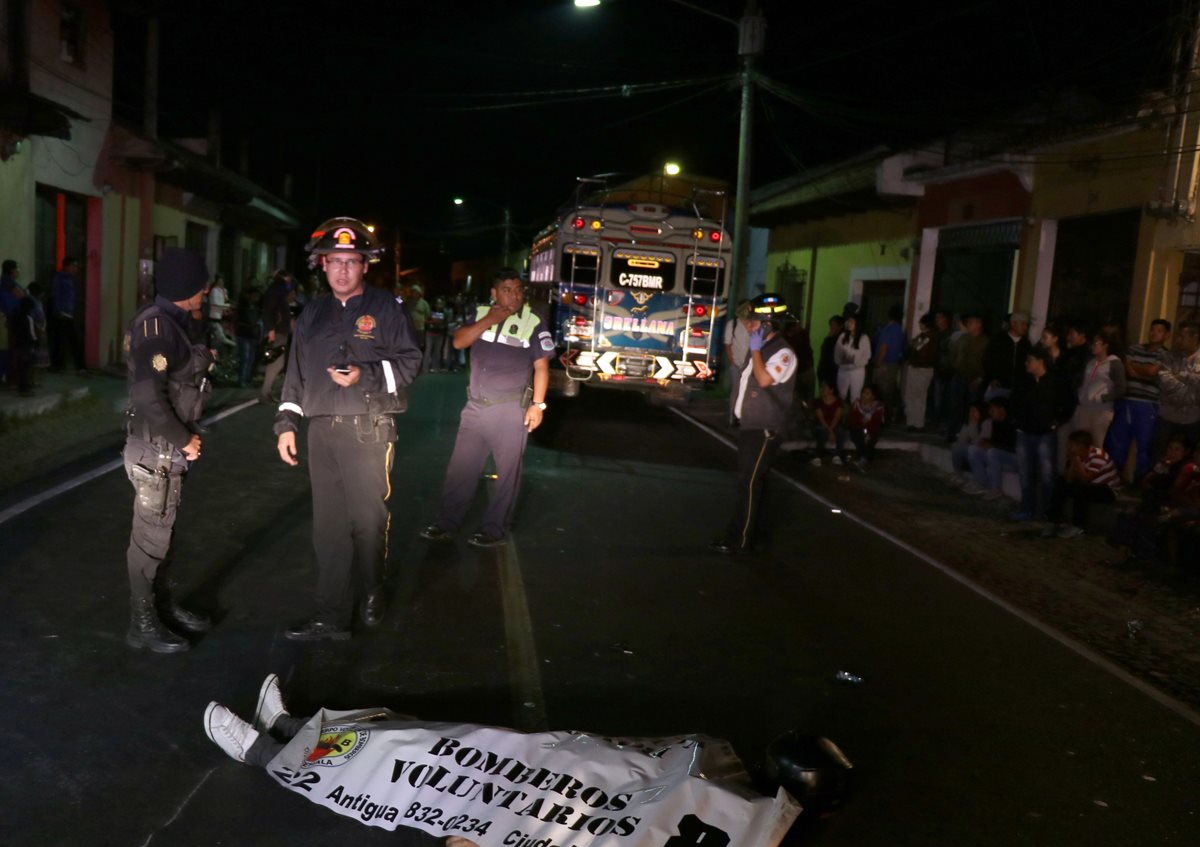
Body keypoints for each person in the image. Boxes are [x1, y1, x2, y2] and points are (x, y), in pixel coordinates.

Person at [274, 218, 422, 641]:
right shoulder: (311, 316)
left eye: (351, 262)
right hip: (321, 432)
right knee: (328, 527)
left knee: (368, 521)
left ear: (364, 266)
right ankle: (331, 615)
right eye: (334, 261)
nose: (342, 270)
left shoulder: (386, 310)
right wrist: (287, 424)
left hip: (368, 431)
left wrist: (366, 374)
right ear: (322, 265)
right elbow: (295, 376)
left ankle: (372, 589)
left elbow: (412, 363)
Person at [121, 248, 214, 653]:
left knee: (164, 534)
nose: (207, 290)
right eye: (201, 284)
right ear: (186, 288)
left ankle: (162, 607)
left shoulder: (174, 323)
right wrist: (182, 439)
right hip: (155, 449)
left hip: (166, 448)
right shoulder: (158, 328)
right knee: (149, 540)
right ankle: (142, 623)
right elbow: (148, 396)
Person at [420, 268, 553, 548]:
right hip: (475, 409)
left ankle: (494, 529)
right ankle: (446, 524)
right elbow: (459, 341)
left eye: (518, 289)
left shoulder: (533, 321)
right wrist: (491, 319)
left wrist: (538, 405)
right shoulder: (481, 314)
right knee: (461, 469)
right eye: (507, 289)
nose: (514, 295)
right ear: (494, 293)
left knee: (507, 475)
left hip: (509, 410)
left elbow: (541, 366)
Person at [711, 293, 798, 554]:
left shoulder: (783, 352)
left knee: (750, 483)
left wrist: (757, 349)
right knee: (747, 482)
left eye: (753, 323)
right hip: (751, 425)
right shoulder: (759, 349)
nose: (749, 327)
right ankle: (740, 535)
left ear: (768, 324)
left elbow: (763, 380)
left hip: (766, 428)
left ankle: (741, 540)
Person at [1107, 319, 1172, 481]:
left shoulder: (1166, 354)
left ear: (1166, 335)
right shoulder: (1135, 348)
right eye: (1152, 329)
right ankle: (1114, 477)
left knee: (1145, 442)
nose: (1153, 333)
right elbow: (1127, 369)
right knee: (1118, 439)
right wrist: (1142, 371)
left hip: (1148, 403)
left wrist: (1137, 368)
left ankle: (1140, 479)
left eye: (1158, 331)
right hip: (1127, 399)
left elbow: (1152, 372)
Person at [1010, 348, 1059, 520]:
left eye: (1030, 360)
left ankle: (1047, 511)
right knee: (1025, 474)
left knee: (1047, 474)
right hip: (1024, 432)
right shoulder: (1024, 382)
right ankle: (1026, 508)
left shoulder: (1053, 381)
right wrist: (1017, 421)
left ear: (1040, 361)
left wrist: (1055, 421)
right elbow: (1015, 402)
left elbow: (1066, 402)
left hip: (1045, 433)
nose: (1026, 363)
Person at [1063, 328, 1125, 464]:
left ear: (1105, 345)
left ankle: (1094, 476)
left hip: (1101, 411)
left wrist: (1102, 397)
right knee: (1077, 445)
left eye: (1096, 343)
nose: (1093, 346)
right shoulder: (1090, 362)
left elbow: (1121, 389)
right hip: (1083, 408)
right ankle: (1075, 474)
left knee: (1096, 446)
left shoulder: (1114, 363)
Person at [1045, 430, 1121, 538]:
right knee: (1060, 482)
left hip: (1107, 490)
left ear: (1081, 446)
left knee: (1080, 490)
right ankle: (1052, 521)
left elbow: (1086, 479)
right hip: (1091, 485)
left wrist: (1076, 461)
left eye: (1071, 445)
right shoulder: (1075, 455)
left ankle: (1078, 527)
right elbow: (1068, 480)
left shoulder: (1098, 456)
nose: (1068, 447)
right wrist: (1073, 461)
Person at [1155, 321, 1200, 451]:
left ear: (1195, 337)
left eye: (1182, 336)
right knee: (1158, 453)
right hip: (1168, 417)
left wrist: (1181, 376)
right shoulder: (1169, 356)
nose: (1178, 340)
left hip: (1193, 419)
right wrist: (1190, 385)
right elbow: (1164, 381)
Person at [964, 396, 1016, 499]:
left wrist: (992, 446)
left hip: (1013, 459)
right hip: (998, 455)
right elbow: (992, 442)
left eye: (993, 409)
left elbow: (1012, 448)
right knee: (973, 449)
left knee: (993, 452)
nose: (990, 412)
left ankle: (996, 489)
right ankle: (981, 484)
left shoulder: (1012, 424)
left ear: (1002, 409)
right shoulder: (995, 423)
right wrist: (984, 443)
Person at [260, 270, 296, 402]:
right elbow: (269, 310)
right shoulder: (277, 290)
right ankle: (265, 393)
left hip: (280, 329)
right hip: (278, 330)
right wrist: (271, 329)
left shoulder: (278, 290)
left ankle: (267, 392)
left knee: (276, 362)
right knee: (276, 362)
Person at [49, 256, 85, 372]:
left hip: (69, 313)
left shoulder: (72, 279)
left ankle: (60, 365)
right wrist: (58, 310)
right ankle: (75, 366)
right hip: (62, 314)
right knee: (66, 340)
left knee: (67, 340)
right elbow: (55, 295)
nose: (76, 269)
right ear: (67, 266)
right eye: (73, 266)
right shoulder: (59, 278)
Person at [983, 310, 1032, 396]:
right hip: (999, 385)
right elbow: (988, 360)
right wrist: (992, 378)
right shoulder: (998, 340)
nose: (1025, 327)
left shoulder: (1026, 344)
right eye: (1022, 324)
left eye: (1027, 324)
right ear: (1013, 324)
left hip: (1018, 387)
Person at [903, 313, 937, 431]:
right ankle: (912, 422)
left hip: (922, 369)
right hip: (917, 368)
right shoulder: (922, 336)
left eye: (921, 322)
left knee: (918, 397)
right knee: (913, 396)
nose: (919, 324)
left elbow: (919, 351)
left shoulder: (929, 337)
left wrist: (913, 352)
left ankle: (917, 423)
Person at [873, 304, 905, 423]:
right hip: (894, 364)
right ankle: (891, 416)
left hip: (885, 364)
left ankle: (885, 418)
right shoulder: (900, 330)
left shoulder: (888, 329)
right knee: (891, 391)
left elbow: (884, 347)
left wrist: (878, 363)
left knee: (883, 392)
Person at [846, 383, 885, 468]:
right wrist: (862, 423)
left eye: (867, 393)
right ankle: (865, 458)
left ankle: (861, 458)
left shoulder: (878, 407)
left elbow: (876, 423)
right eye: (863, 392)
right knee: (858, 436)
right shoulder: (856, 404)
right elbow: (851, 420)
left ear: (873, 396)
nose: (863, 395)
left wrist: (866, 430)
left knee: (871, 438)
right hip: (858, 429)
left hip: (870, 430)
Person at [833, 313, 871, 403]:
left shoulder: (864, 338)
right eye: (849, 321)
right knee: (841, 395)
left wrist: (854, 360)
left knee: (855, 396)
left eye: (852, 322)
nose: (849, 324)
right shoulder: (843, 336)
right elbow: (837, 353)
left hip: (857, 370)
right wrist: (843, 359)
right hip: (843, 369)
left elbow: (867, 355)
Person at [810, 381, 843, 466]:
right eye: (821, 388)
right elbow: (821, 419)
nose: (822, 390)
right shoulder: (818, 401)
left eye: (824, 388)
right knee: (822, 431)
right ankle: (817, 457)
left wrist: (831, 430)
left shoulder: (838, 401)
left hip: (833, 425)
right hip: (821, 425)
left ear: (831, 391)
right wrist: (830, 431)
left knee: (840, 430)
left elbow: (837, 417)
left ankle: (837, 456)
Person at [234, 285, 262, 387]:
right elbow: (239, 319)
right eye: (254, 295)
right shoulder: (243, 306)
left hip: (252, 334)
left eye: (257, 296)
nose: (256, 297)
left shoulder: (257, 307)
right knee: (245, 358)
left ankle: (246, 379)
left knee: (251, 358)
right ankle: (241, 380)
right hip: (244, 334)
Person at [816, 314, 844, 396]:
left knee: (831, 394)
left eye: (834, 325)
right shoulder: (830, 338)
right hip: (824, 370)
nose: (832, 327)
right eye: (831, 325)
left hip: (833, 372)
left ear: (840, 326)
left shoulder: (841, 339)